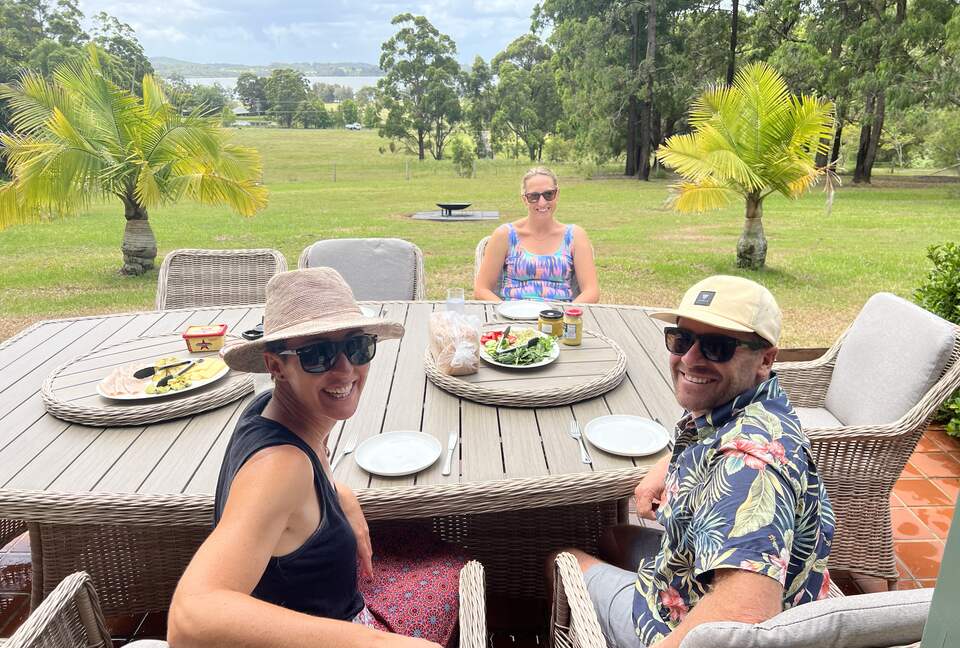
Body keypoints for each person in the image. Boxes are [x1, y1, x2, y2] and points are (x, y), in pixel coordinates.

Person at [552, 275, 834, 648]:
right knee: (610, 536)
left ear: (765, 358)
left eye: (717, 347)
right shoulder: (754, 406)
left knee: (560, 557)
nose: (689, 358)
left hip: (676, 622)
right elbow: (713, 439)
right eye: (681, 340)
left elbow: (747, 613)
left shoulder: (749, 468)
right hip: (693, 569)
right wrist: (667, 464)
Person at [167, 268, 442, 648]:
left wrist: (338, 493)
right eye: (318, 353)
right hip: (338, 630)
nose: (345, 368)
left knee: (445, 564)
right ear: (276, 367)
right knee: (451, 571)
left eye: (358, 345)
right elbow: (191, 616)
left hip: (324, 605)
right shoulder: (282, 466)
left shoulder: (272, 409)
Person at [474, 166, 599, 303]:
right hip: (513, 317)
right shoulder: (505, 235)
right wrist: (505, 308)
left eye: (548, 194)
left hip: (559, 319)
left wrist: (565, 315)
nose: (542, 202)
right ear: (524, 200)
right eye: (534, 196)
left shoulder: (575, 236)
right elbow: (481, 289)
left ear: (557, 194)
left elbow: (591, 292)